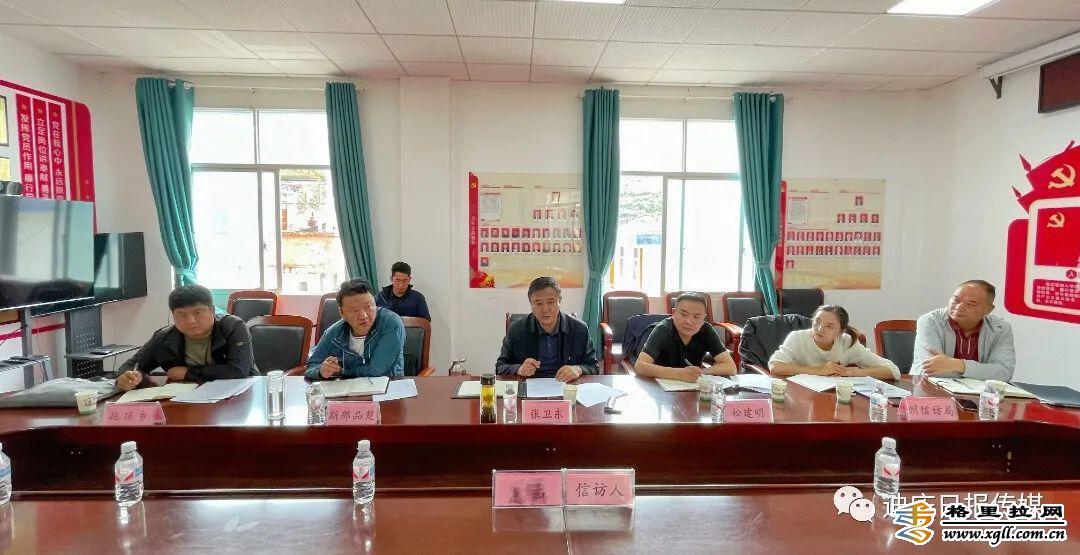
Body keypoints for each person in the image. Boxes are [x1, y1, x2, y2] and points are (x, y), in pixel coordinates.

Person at [114, 285, 255, 391]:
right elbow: (131, 365)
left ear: (212, 310)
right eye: (182, 315)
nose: (191, 320)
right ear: (173, 315)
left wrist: (188, 373)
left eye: (198, 312)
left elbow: (239, 370)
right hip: (186, 399)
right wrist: (126, 378)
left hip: (237, 393)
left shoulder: (233, 327)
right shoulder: (163, 338)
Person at [495, 276, 598, 382]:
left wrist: (578, 369)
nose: (545, 310)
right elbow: (500, 367)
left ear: (559, 301)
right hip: (530, 386)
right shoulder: (516, 330)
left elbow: (594, 367)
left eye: (551, 302)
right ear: (531, 304)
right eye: (538, 303)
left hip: (566, 387)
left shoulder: (579, 329)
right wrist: (519, 369)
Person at [911, 280, 1015, 380]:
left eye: (970, 304)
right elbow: (931, 369)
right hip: (929, 388)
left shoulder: (1001, 328)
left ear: (988, 310)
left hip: (978, 391)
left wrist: (957, 364)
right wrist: (984, 372)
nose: (959, 307)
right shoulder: (930, 321)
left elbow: (1004, 373)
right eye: (956, 300)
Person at [307, 278, 405, 380]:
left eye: (369, 306)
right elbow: (311, 365)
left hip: (388, 386)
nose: (363, 316)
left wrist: (341, 371)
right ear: (342, 312)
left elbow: (377, 370)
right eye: (355, 310)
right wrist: (322, 371)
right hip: (346, 388)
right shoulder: (334, 333)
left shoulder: (390, 322)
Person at [769, 305, 899, 380]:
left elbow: (893, 370)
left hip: (831, 397)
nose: (820, 329)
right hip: (799, 395)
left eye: (829, 326)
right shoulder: (797, 338)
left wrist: (851, 372)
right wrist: (819, 370)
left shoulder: (847, 342)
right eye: (817, 322)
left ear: (840, 331)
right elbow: (775, 366)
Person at [634, 293, 737, 382]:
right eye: (684, 314)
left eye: (696, 317)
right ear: (674, 313)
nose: (689, 321)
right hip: (660, 384)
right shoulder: (663, 329)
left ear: (703, 318)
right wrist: (679, 374)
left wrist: (699, 372)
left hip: (691, 387)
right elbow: (640, 366)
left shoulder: (706, 330)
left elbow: (730, 367)